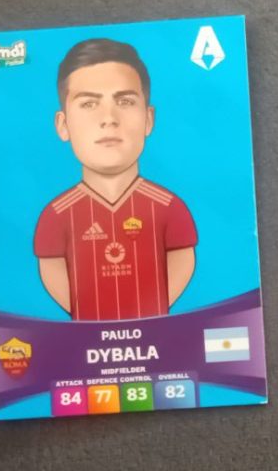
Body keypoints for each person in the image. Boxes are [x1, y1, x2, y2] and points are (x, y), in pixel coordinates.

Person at [33, 38, 197, 321]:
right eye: (89, 104)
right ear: (63, 124)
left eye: (124, 101)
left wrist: (149, 309)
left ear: (148, 119)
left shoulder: (169, 206)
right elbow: (52, 268)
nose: (108, 118)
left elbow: (182, 259)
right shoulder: (56, 214)